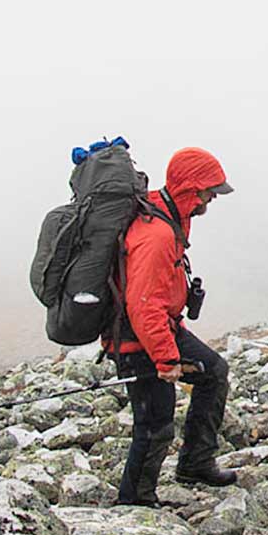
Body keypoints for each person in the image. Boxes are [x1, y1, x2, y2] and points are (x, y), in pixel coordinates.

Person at [106, 146, 236, 505]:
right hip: (137, 339)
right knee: (155, 424)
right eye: (210, 191)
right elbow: (143, 305)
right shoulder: (158, 235)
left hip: (159, 328)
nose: (212, 198)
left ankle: (196, 462)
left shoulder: (168, 214)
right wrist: (166, 360)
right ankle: (135, 502)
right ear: (192, 190)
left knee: (213, 372)